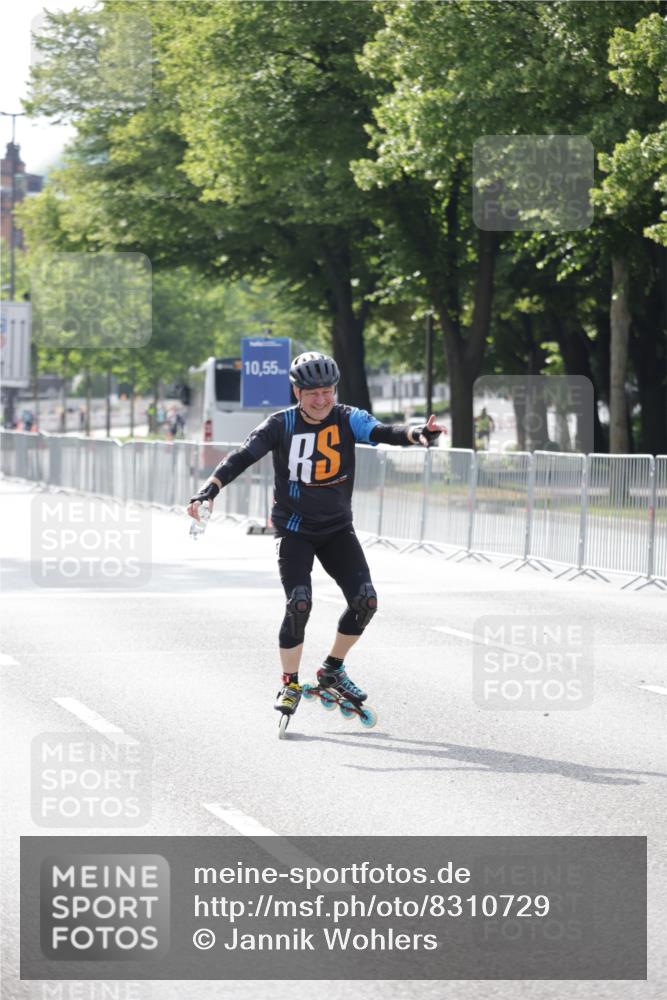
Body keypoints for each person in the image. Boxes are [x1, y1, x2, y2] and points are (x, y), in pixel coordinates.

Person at [186, 352, 445, 718]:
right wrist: (208, 490)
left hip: (337, 528)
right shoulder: (280, 425)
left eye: (327, 391)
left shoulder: (347, 418)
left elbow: (382, 432)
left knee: (366, 602)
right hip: (294, 530)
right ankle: (289, 683)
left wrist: (418, 434)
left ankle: (332, 670)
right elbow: (242, 457)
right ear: (297, 391)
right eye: (313, 393)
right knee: (299, 603)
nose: (322, 400)